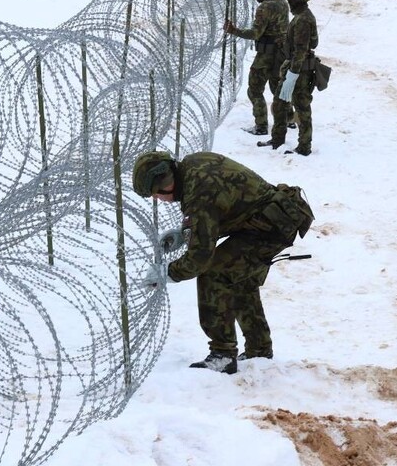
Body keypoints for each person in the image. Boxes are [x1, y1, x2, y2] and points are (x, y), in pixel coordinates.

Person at [132, 151, 314, 375]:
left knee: (214, 272)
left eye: (156, 194)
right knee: (238, 277)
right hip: (270, 218)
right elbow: (224, 208)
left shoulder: (198, 193)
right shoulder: (192, 166)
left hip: (272, 227)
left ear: (166, 183)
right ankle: (258, 349)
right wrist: (184, 233)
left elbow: (199, 258)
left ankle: (223, 354)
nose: (159, 199)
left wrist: (167, 272)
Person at [223, 0, 294, 138]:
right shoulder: (282, 2)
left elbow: (255, 33)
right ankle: (289, 118)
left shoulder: (265, 7)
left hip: (266, 54)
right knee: (279, 87)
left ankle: (261, 125)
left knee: (254, 89)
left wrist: (234, 31)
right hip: (282, 53)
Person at [277, 0, 319, 156]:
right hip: (297, 68)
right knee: (280, 104)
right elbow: (314, 43)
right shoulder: (305, 16)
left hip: (299, 71)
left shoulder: (302, 20)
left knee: (301, 108)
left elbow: (301, 50)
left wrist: (292, 75)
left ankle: (304, 146)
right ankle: (278, 139)